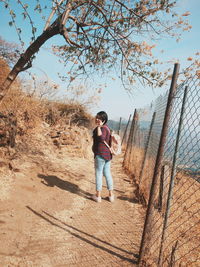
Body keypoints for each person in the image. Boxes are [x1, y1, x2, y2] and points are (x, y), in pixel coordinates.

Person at [92, 111, 114, 203]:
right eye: (97, 117)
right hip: (107, 155)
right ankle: (111, 195)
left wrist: (98, 127)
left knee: (98, 174)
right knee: (107, 173)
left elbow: (101, 139)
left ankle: (98, 196)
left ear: (103, 120)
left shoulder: (102, 128)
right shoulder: (107, 128)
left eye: (100, 118)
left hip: (100, 155)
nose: (97, 119)